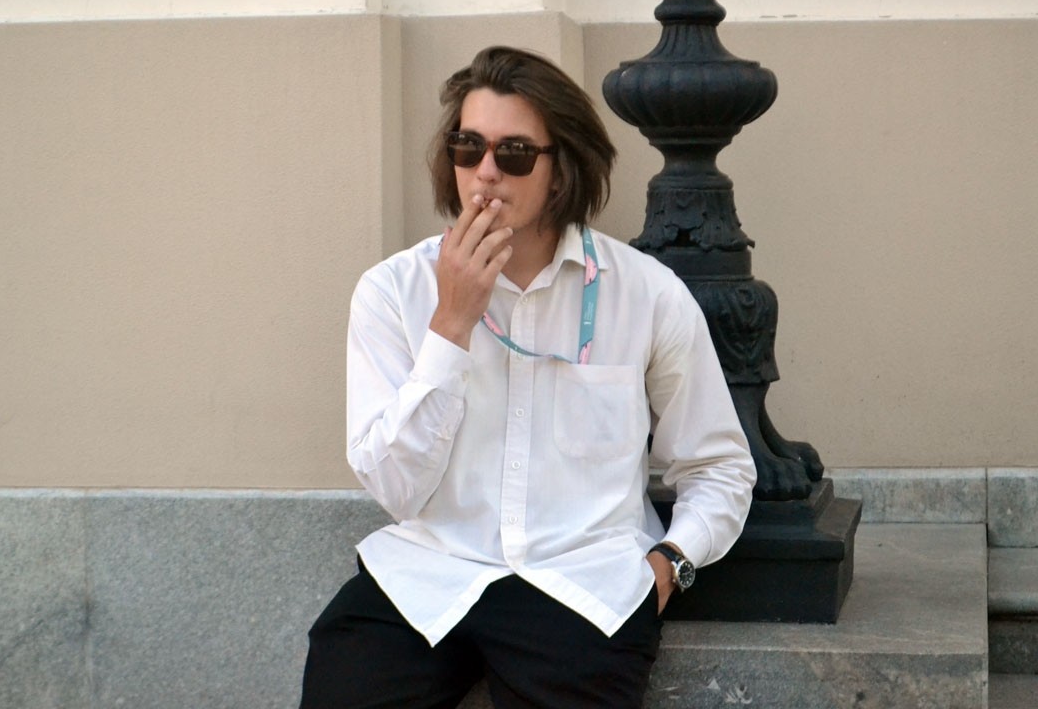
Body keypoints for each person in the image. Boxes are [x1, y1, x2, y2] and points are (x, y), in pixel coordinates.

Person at [299, 46, 755, 709]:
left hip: (581, 585)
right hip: (427, 575)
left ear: (562, 167)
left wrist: (672, 562)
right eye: (468, 147)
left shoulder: (646, 295)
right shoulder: (392, 292)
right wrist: (451, 325)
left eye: (513, 153)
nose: (485, 172)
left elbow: (719, 466)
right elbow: (396, 488)